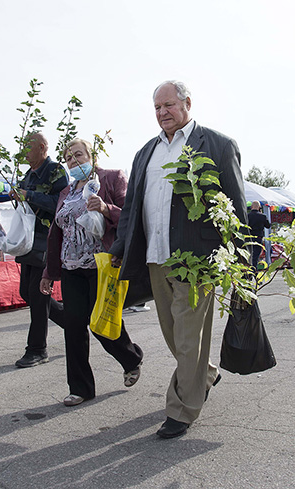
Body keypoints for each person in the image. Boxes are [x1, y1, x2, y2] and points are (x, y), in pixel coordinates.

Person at [109, 80, 247, 439]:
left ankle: (181, 410)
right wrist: (120, 247)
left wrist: (238, 256)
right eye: (157, 108)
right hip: (155, 257)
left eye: (168, 105)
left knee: (187, 337)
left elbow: (235, 205)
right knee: (174, 334)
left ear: (187, 103)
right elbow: (131, 207)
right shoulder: (146, 152)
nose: (162, 113)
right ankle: (206, 373)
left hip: (197, 260)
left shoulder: (217, 145)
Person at [39, 138, 143, 407]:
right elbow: (56, 232)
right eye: (68, 158)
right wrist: (49, 272)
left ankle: (131, 358)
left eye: (78, 155)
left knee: (101, 323)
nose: (73, 161)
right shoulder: (66, 191)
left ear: (91, 155)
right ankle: (80, 388)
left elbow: (131, 217)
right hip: (71, 267)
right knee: (73, 326)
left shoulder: (110, 178)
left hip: (102, 264)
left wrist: (106, 208)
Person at [10, 132, 68, 368]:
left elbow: (60, 204)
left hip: (47, 240)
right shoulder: (28, 175)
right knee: (27, 292)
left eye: (28, 147)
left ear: (43, 147)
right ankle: (70, 320)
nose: (24, 152)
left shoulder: (56, 171)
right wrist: (18, 196)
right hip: (28, 240)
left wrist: (30, 195)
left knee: (38, 294)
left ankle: (37, 349)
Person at [247, 201, 270, 269]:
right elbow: (268, 226)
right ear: (259, 207)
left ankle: (249, 270)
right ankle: (254, 269)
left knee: (249, 255)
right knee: (256, 256)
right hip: (258, 238)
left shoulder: (247, 216)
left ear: (251, 207)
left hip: (249, 238)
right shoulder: (262, 216)